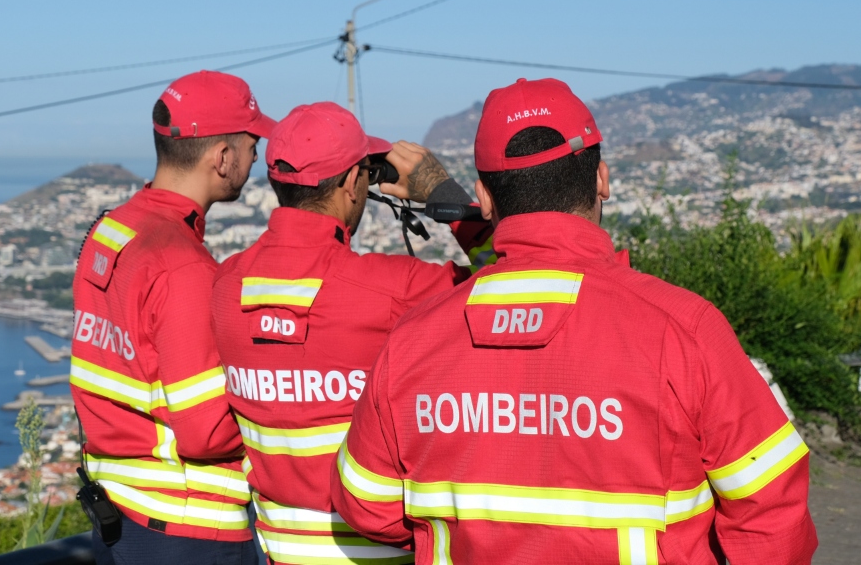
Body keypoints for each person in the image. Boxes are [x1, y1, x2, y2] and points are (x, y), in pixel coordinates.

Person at [330, 78, 819, 564]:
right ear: (601, 178)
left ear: (486, 195)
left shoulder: (414, 341)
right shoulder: (681, 330)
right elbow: (772, 515)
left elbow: (367, 506)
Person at [210, 101, 493, 564]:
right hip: (379, 550)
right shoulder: (394, 289)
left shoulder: (226, 284)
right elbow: (511, 279)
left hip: (275, 547)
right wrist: (446, 197)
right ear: (351, 183)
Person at [70, 70, 276, 564]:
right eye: (252, 145)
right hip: (187, 527)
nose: (256, 158)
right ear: (221, 157)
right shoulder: (184, 266)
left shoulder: (112, 230)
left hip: (120, 512)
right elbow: (205, 433)